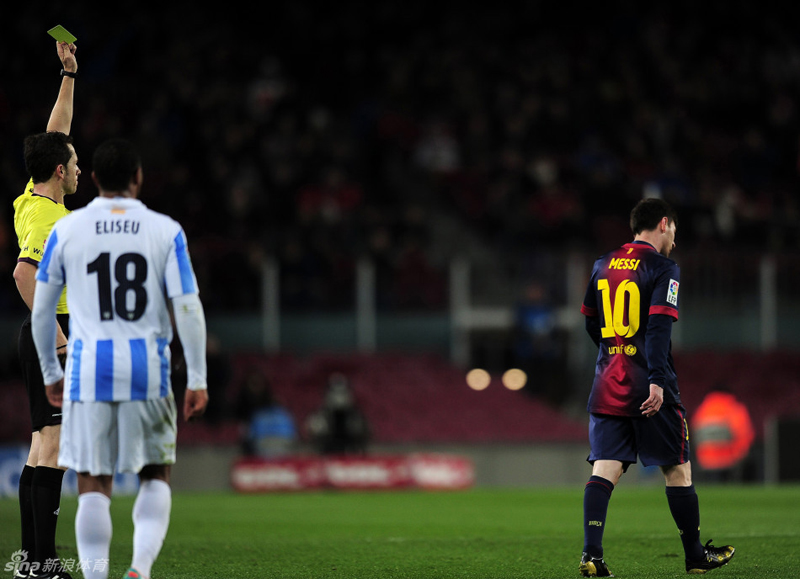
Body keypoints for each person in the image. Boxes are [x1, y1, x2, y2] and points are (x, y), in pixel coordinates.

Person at [30, 138, 209, 579]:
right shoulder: (166, 231)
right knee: (154, 473)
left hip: (89, 366)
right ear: (138, 178)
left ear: (92, 179)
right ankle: (140, 570)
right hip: (147, 365)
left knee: (93, 482)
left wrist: (52, 370)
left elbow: (41, 309)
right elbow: (187, 306)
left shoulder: (67, 229)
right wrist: (199, 377)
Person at [578, 198, 735, 576]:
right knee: (678, 471)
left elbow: (590, 323)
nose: (675, 241)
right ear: (664, 224)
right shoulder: (664, 267)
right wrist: (657, 380)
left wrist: (615, 354)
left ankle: (592, 556)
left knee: (604, 469)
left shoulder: (603, 263)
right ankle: (696, 555)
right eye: (675, 231)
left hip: (608, 384)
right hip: (650, 387)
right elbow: (660, 327)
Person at [12, 39, 79, 579]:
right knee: (53, 444)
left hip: (39, 331)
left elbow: (56, 133)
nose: (79, 165)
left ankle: (32, 561)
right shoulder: (47, 220)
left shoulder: (37, 199)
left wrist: (69, 76)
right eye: (73, 161)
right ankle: (45, 562)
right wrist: (56, 339)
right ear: (60, 171)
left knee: (39, 446)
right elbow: (21, 274)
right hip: (49, 331)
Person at [305, 372, 370, 455]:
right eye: (334, 393)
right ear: (327, 394)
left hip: (350, 455)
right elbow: (312, 438)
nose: (338, 398)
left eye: (342, 393)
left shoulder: (356, 417)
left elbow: (365, 438)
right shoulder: (320, 417)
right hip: (326, 455)